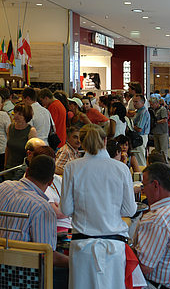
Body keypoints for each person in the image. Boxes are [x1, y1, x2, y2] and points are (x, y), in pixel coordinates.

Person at [0, 155, 69, 288]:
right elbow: (47, 256)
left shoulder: (2, 187)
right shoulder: (43, 208)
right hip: (21, 274)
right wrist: (77, 262)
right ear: (51, 181)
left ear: (27, 172)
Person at [60, 124, 137, 289]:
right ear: (105, 140)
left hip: (82, 246)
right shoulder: (121, 168)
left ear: (81, 141)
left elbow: (66, 209)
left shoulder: (71, 167)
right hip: (113, 244)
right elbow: (130, 210)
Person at [5, 103, 37, 169]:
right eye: (15, 112)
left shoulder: (31, 131)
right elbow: (7, 148)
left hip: (22, 168)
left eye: (20, 114)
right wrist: (5, 164)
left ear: (26, 116)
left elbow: (33, 154)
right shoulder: (10, 127)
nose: (16, 115)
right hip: (9, 167)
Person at [133, 94, 150, 167]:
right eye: (134, 102)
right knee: (137, 158)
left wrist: (131, 126)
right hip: (138, 137)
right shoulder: (138, 111)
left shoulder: (143, 112)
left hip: (141, 137)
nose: (134, 104)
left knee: (140, 159)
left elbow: (140, 128)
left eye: (136, 102)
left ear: (142, 103)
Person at [149, 96, 169, 162]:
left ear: (157, 103)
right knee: (157, 149)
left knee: (163, 149)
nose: (151, 106)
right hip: (155, 132)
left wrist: (156, 122)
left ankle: (165, 162)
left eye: (152, 104)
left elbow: (165, 120)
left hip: (162, 132)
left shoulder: (162, 109)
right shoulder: (152, 110)